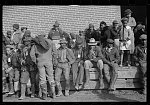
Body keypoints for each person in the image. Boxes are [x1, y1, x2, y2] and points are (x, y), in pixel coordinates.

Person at [30, 34, 57, 100]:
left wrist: (35, 61)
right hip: (49, 61)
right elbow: (55, 53)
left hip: (40, 62)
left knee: (42, 79)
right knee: (51, 77)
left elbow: (31, 55)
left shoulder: (35, 44)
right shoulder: (51, 43)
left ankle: (44, 95)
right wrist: (53, 61)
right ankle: (53, 94)